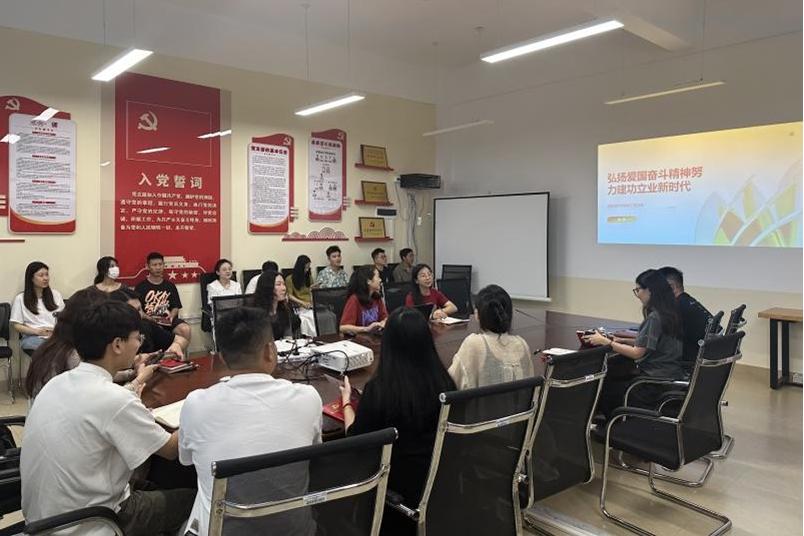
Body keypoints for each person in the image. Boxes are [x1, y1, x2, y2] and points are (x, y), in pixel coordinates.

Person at [21, 301, 195, 536]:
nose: (139, 345)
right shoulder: (114, 399)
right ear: (117, 345)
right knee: (192, 497)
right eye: (138, 338)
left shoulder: (58, 383)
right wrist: (197, 409)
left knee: (154, 478)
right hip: (93, 522)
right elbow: (171, 449)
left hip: (43, 519)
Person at [179, 307, 322, 536]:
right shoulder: (308, 398)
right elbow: (314, 454)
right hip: (296, 530)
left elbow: (186, 461)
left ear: (222, 358)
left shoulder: (195, 404)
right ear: (270, 351)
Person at [340, 307, 456, 536]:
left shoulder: (380, 390)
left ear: (388, 345)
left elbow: (357, 442)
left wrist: (346, 402)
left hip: (397, 499)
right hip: (440, 489)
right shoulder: (445, 384)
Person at [25, 287, 159, 401]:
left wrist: (129, 373)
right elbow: (104, 400)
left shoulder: (55, 344)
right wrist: (139, 379)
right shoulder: (73, 354)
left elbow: (94, 376)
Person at [584, 269, 684, 419]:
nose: (637, 295)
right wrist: (624, 341)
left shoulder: (654, 318)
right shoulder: (669, 313)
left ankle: (613, 423)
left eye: (638, 290)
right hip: (670, 376)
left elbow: (637, 353)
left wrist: (606, 342)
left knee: (604, 386)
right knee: (614, 376)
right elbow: (654, 344)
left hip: (653, 384)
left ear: (650, 290)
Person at [448, 285, 533, 389]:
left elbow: (450, 383)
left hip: (484, 401)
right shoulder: (522, 343)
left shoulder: (474, 344)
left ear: (477, 314)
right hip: (518, 401)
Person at [657, 266, 713, 371]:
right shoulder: (688, 301)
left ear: (671, 287)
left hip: (687, 366)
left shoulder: (675, 308)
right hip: (705, 364)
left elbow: (656, 343)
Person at [110, 287, 188, 358]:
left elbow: (182, 340)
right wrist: (135, 362)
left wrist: (176, 345)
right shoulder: (109, 335)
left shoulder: (146, 325)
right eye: (133, 311)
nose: (139, 314)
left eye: (139, 309)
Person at [134, 251, 192, 343]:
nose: (158, 267)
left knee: (185, 329)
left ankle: (178, 351)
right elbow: (137, 310)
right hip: (148, 322)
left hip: (167, 320)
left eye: (160, 264)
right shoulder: (140, 287)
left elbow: (176, 307)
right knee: (154, 330)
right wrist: (149, 318)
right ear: (148, 266)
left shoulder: (170, 286)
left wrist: (171, 315)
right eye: (154, 265)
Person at [11, 261, 65, 352]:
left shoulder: (56, 295)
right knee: (48, 348)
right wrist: (37, 331)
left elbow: (64, 318)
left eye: (47, 275)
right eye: (41, 275)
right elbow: (16, 325)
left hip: (55, 335)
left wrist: (55, 331)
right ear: (31, 278)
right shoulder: (20, 298)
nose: (45, 278)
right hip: (33, 337)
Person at [251, 270, 301, 338]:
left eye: (284, 284)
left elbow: (288, 336)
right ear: (267, 287)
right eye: (278, 284)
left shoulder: (284, 309)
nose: (284, 288)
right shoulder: (256, 314)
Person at [340, 265, 388, 334]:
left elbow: (385, 317)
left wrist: (383, 323)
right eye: (378, 277)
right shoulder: (354, 299)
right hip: (360, 337)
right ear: (369, 281)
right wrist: (366, 329)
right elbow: (343, 327)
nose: (380, 280)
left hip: (375, 336)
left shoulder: (377, 297)